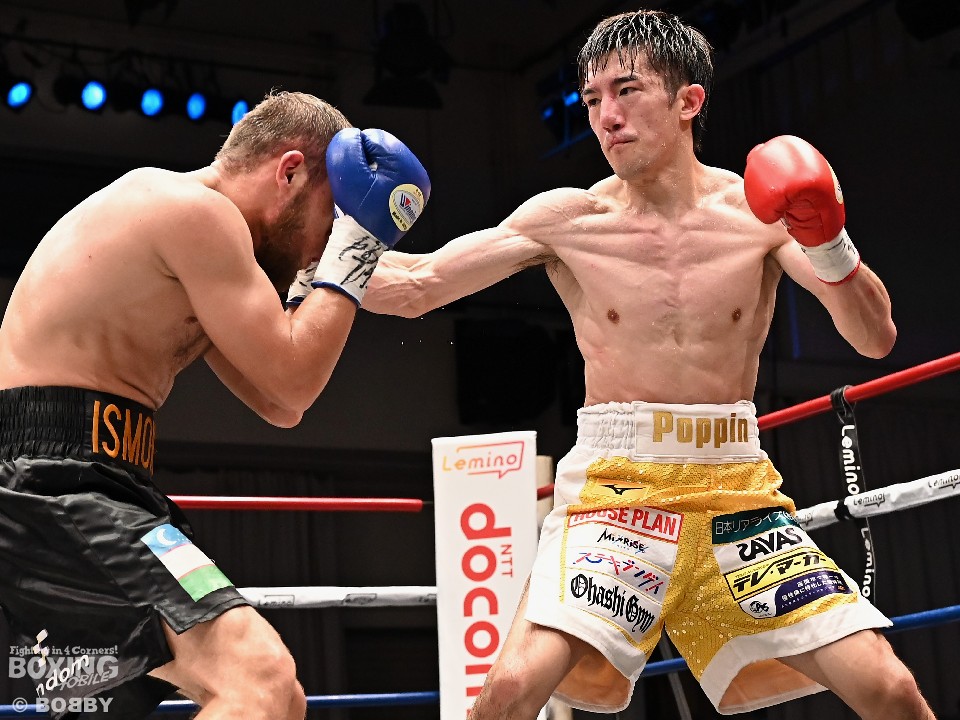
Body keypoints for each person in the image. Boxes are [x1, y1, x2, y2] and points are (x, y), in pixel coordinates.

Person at [350, 9, 934, 720]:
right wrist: (306, 252)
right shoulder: (569, 218)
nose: (606, 116)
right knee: (508, 690)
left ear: (689, 100)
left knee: (889, 687)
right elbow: (416, 286)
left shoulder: (758, 217)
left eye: (627, 90)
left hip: (737, 494)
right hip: (613, 490)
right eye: (593, 99)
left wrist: (827, 237)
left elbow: (874, 337)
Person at [0, 90, 430, 719]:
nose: (322, 249)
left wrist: (327, 271)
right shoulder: (195, 211)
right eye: (333, 218)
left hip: (96, 484)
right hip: (51, 485)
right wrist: (357, 248)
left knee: (282, 700)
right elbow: (293, 381)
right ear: (289, 172)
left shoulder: (203, 246)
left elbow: (280, 404)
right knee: (259, 680)